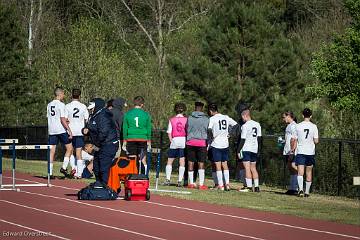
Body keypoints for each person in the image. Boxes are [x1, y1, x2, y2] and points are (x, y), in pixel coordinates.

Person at [82, 98, 119, 186]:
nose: (90, 109)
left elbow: (103, 132)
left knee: (103, 166)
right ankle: (99, 185)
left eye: (92, 108)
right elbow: (90, 128)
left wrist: (95, 145)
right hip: (100, 145)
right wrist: (84, 130)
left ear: (97, 106)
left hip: (108, 144)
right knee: (96, 166)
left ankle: (104, 187)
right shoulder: (93, 116)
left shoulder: (103, 115)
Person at [208, 103, 238, 191]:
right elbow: (236, 125)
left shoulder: (212, 118)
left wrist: (211, 137)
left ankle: (220, 185)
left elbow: (209, 130)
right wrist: (231, 134)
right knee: (225, 165)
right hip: (225, 144)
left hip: (216, 144)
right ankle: (227, 185)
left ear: (210, 111)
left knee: (217, 165)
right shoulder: (226, 117)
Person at [47, 87, 73, 178]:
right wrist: (69, 130)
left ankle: (49, 173)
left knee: (51, 152)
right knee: (69, 148)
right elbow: (62, 119)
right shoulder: (61, 105)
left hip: (52, 130)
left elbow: (50, 117)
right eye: (63, 94)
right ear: (60, 94)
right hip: (60, 130)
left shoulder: (49, 104)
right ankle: (64, 167)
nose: (64, 96)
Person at [292, 108, 319, 197]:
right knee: (309, 172)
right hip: (310, 152)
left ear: (302, 115)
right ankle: (307, 192)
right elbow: (316, 141)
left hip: (301, 151)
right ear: (311, 116)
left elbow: (294, 139)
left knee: (300, 172)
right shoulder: (314, 126)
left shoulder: (298, 126)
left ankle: (300, 190)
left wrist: (292, 149)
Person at [122, 96, 152, 174]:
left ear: (134, 103)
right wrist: (149, 140)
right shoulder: (146, 115)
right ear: (142, 104)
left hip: (131, 138)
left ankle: (132, 176)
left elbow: (124, 128)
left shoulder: (127, 114)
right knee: (142, 159)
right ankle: (144, 177)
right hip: (143, 138)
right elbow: (149, 129)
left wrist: (124, 140)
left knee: (132, 159)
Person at [63, 89, 89, 178]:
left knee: (69, 151)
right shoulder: (83, 106)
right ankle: (79, 173)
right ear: (80, 96)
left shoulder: (67, 106)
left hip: (70, 132)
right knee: (79, 153)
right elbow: (87, 119)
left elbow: (65, 119)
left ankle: (73, 168)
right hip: (79, 132)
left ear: (71, 95)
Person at [185, 101, 209, 189]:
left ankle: (191, 183)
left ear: (195, 108)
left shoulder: (189, 118)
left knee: (190, 162)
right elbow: (208, 130)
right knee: (201, 163)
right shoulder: (206, 119)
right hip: (201, 142)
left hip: (190, 142)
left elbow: (186, 128)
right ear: (202, 108)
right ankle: (201, 184)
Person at [163, 103, 187, 187]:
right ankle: (180, 181)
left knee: (170, 161)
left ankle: (167, 179)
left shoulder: (172, 119)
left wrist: (171, 141)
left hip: (175, 140)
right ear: (184, 110)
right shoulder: (186, 119)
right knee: (182, 161)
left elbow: (169, 132)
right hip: (183, 140)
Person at [238, 109, 262, 192]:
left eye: (242, 117)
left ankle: (248, 187)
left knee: (247, 168)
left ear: (245, 115)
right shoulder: (257, 124)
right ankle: (257, 186)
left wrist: (238, 150)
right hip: (254, 149)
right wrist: (259, 150)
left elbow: (243, 139)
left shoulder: (245, 126)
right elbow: (259, 138)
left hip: (246, 148)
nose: (242, 119)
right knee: (253, 168)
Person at [282, 111, 298, 195]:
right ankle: (291, 188)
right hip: (287, 150)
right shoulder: (288, 126)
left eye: (284, 117)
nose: (283, 119)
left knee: (293, 167)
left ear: (289, 116)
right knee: (290, 168)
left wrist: (292, 150)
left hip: (292, 151)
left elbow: (295, 139)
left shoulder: (294, 126)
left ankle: (296, 188)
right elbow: (289, 138)